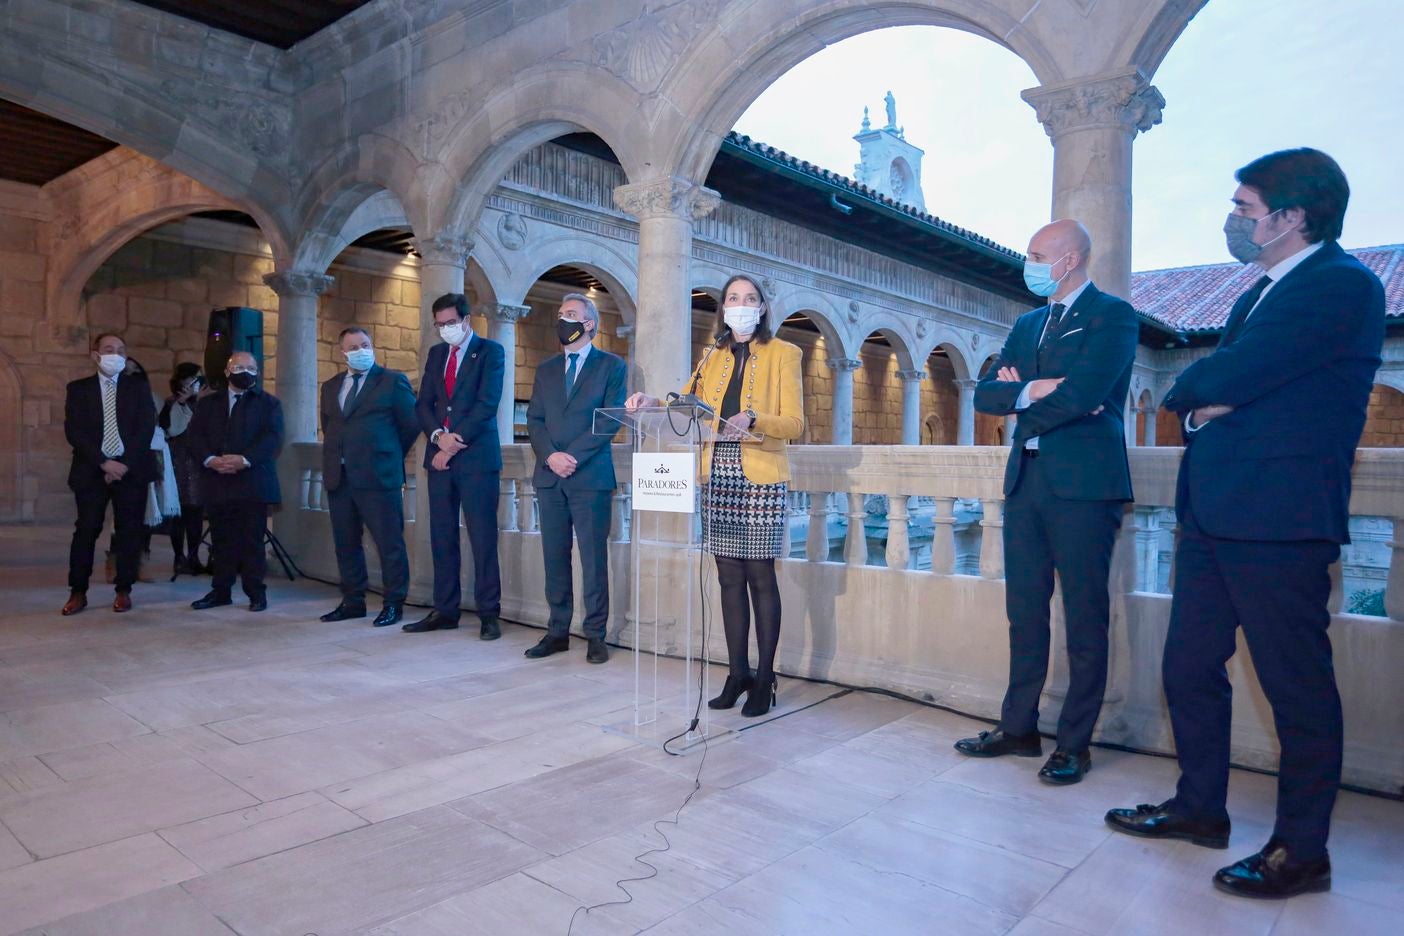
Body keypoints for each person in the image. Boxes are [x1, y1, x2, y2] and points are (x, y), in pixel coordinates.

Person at [1106, 149, 1385, 899]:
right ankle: (1199, 808)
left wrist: (1214, 396)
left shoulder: (1339, 286)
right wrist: (1212, 397)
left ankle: (1302, 850)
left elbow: (1212, 379)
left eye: (1245, 207)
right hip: (1216, 511)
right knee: (1189, 667)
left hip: (1280, 518)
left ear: (1293, 216)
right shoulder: (1257, 293)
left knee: (1295, 688)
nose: (1234, 220)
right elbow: (1204, 389)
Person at [954, 219, 1137, 786]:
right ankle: (1019, 727)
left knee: (1084, 615)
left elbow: (1087, 394)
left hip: (1085, 485)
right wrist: (1034, 388)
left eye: (1037, 254)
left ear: (1072, 258)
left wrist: (1022, 397)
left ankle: (1075, 744)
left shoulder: (1113, 315)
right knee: (1024, 613)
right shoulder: (1029, 322)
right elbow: (986, 395)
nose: (1029, 263)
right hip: (1026, 481)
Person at [626, 274, 804, 717]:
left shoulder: (785, 353)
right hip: (717, 475)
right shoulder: (712, 356)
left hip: (761, 478)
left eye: (749, 299)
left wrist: (754, 417)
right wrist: (652, 404)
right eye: (732, 299)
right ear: (722, 308)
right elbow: (687, 407)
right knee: (727, 579)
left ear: (762, 307)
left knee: (760, 578)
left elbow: (795, 424)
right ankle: (736, 672)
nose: (740, 305)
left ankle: (765, 679)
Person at [523, 293, 628, 664]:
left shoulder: (612, 366)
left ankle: (595, 635)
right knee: (555, 556)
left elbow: (611, 419)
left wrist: (573, 458)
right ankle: (557, 632)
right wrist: (551, 456)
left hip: (590, 477)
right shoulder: (546, 368)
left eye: (570, 314)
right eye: (560, 314)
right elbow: (534, 419)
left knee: (593, 559)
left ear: (589, 324)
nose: (562, 320)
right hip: (550, 477)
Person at [404, 293, 506, 637]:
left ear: (467, 321)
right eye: (440, 324)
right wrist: (436, 437)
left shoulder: (491, 351)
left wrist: (452, 443)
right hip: (440, 460)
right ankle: (444, 610)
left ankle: (489, 614)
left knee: (482, 538)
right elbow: (424, 405)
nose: (446, 329)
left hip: (476, 459)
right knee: (441, 536)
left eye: (451, 323)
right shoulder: (436, 355)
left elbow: (487, 404)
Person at [318, 327, 420, 628]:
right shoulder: (330, 386)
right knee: (345, 542)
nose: (360, 350)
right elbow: (330, 425)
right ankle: (353, 601)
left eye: (365, 344)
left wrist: (387, 454)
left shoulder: (392, 381)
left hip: (379, 477)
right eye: (353, 346)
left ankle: (393, 604)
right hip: (341, 476)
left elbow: (410, 424)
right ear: (342, 352)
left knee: (389, 543)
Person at [60, 333, 157, 615]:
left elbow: (145, 428)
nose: (115, 354)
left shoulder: (137, 388)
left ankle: (124, 589)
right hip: (92, 469)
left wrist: (123, 463)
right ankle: (78, 591)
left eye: (120, 350)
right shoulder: (78, 389)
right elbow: (74, 431)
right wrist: (104, 462)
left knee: (129, 531)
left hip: (131, 469)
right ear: (95, 355)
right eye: (108, 349)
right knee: (86, 529)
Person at [188, 351, 284, 612]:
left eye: (251, 367)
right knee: (221, 541)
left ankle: (256, 593)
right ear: (228, 371)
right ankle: (220, 591)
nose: (246, 371)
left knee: (252, 541)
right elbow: (195, 436)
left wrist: (244, 460)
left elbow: (272, 439)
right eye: (239, 367)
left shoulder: (269, 404)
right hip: (217, 481)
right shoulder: (208, 403)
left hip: (252, 482)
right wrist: (210, 459)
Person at [160, 362, 210, 575]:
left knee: (196, 512)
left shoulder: (203, 404)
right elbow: (170, 428)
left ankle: (194, 556)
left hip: (198, 462)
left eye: (199, 378)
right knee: (178, 512)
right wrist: (181, 403)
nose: (195, 383)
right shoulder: (171, 403)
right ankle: (179, 557)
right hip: (177, 461)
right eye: (192, 378)